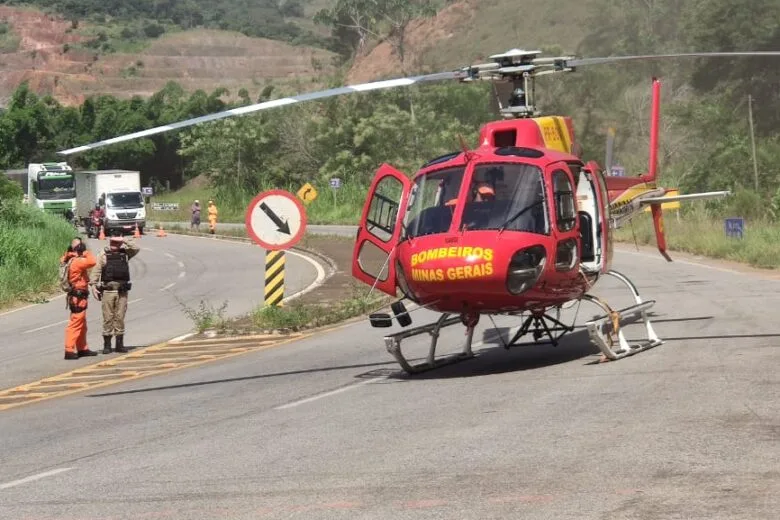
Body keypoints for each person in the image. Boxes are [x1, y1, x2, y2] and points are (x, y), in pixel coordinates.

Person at [90, 235, 140, 354]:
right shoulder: (103, 254)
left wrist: (124, 240)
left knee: (120, 317)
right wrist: (93, 286)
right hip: (108, 291)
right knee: (108, 318)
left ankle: (119, 344)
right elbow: (96, 270)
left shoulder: (125, 254)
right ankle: (107, 345)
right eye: (112, 242)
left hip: (121, 291)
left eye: (116, 242)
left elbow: (136, 248)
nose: (113, 244)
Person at [61, 238, 98, 360]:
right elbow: (92, 262)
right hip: (78, 296)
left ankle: (82, 348)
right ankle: (69, 350)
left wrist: (72, 251)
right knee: (76, 323)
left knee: (82, 324)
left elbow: (63, 258)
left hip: (77, 295)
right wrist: (86, 252)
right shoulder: (77, 261)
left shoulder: (69, 259)